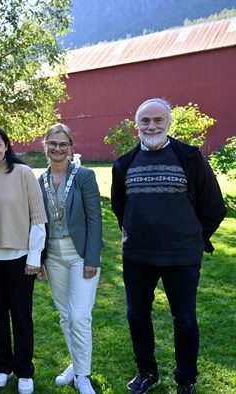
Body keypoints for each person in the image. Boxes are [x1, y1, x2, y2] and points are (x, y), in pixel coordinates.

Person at [111, 98, 227, 394]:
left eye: (157, 120)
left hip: (181, 257)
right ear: (137, 126)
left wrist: (194, 239)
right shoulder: (124, 163)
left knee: (185, 318)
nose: (151, 126)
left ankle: (185, 380)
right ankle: (147, 372)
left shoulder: (189, 158)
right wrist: (138, 233)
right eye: (145, 121)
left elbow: (214, 206)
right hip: (138, 256)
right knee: (137, 315)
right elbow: (120, 208)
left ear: (168, 123)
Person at [0, 126, 47, 394]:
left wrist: (34, 257)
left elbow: (38, 218)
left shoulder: (24, 173)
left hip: (20, 257)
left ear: (6, 145)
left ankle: (25, 370)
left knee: (21, 315)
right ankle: (3, 366)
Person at [36, 123, 103, 394]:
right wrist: (37, 257)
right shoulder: (39, 180)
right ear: (46, 146)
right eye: (53, 143)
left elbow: (95, 218)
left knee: (79, 316)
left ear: (70, 147)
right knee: (65, 316)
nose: (58, 149)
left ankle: (83, 375)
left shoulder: (84, 176)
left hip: (79, 255)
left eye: (63, 144)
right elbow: (37, 221)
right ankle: (76, 364)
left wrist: (92, 258)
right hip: (52, 254)